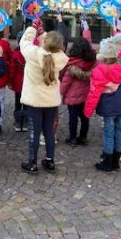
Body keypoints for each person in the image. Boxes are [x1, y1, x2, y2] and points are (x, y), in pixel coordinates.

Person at [20, 21, 69, 175]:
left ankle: (32, 162)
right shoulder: (61, 58)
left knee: (34, 132)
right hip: (51, 100)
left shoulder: (33, 54)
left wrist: (33, 28)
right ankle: (50, 160)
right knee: (49, 132)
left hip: (34, 99)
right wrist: (43, 33)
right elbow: (52, 46)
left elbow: (25, 41)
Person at [84, 35, 121, 172]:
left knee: (108, 133)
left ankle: (107, 160)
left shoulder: (100, 71)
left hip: (108, 106)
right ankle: (116, 160)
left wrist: (88, 110)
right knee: (119, 130)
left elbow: (94, 93)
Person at [60, 36, 96, 146]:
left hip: (72, 96)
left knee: (73, 117)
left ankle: (72, 138)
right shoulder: (90, 62)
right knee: (85, 116)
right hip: (85, 95)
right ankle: (83, 137)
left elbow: (65, 82)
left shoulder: (71, 65)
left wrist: (60, 92)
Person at [9, 31, 27, 131]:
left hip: (18, 82)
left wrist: (10, 82)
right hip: (27, 83)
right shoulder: (30, 52)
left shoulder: (15, 53)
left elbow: (12, 69)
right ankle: (25, 123)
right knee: (27, 104)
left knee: (18, 103)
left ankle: (18, 122)